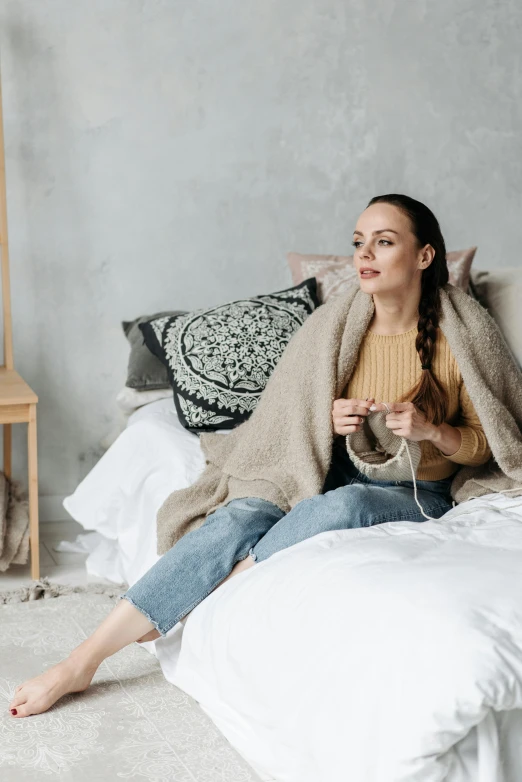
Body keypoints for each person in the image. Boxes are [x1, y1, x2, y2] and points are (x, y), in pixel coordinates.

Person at [8, 194, 491, 718]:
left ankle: (207, 591)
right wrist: (327, 422)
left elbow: (491, 442)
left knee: (343, 508)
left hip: (417, 491)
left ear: (423, 256)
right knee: (243, 511)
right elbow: (290, 419)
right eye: (358, 242)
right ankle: (82, 661)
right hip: (329, 469)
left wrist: (432, 430)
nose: (364, 255)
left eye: (384, 241)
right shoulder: (337, 323)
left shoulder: (464, 333)